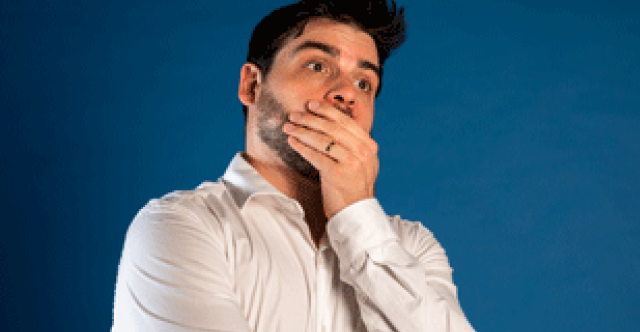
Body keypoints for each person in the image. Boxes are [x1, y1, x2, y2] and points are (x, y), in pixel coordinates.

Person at [111, 0, 477, 331]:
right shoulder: (180, 226)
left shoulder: (412, 247)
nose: (346, 92)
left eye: (364, 82)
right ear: (252, 85)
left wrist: (357, 214)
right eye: (318, 65)